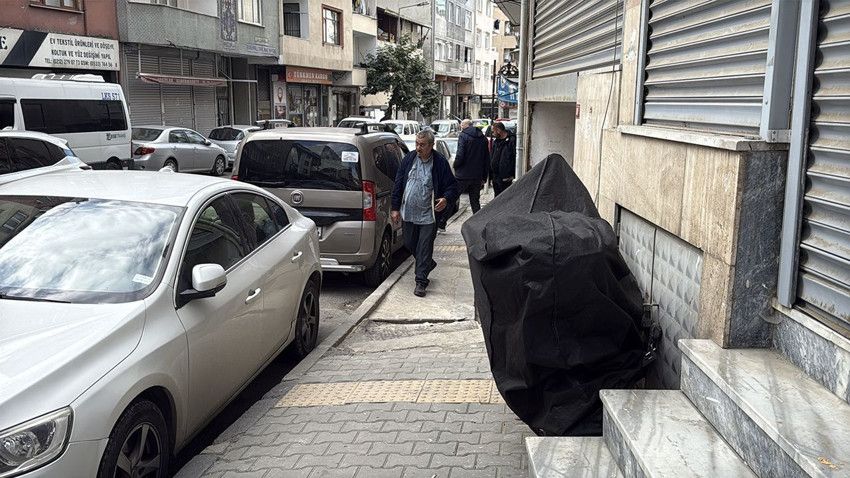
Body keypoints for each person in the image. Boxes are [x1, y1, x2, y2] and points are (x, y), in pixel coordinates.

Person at [392, 130, 459, 297]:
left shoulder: (440, 162)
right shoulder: (409, 159)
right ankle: (427, 263)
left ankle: (421, 281)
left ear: (431, 145)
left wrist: (445, 199)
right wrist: (395, 208)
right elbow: (398, 184)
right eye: (416, 144)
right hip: (408, 213)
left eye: (422, 145)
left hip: (428, 215)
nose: (418, 148)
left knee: (424, 247)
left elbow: (452, 186)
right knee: (409, 243)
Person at [452, 119, 490, 214]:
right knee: (475, 201)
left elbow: (460, 154)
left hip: (463, 175)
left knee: (452, 198)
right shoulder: (483, 138)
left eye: (462, 126)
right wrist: (484, 177)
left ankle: (442, 220)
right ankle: (478, 220)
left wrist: (455, 165)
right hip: (477, 175)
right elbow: (486, 159)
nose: (461, 128)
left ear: (466, 126)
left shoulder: (463, 136)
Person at [490, 122, 516, 196]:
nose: (492, 134)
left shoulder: (511, 140)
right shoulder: (496, 141)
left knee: (505, 197)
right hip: (496, 177)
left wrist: (512, 175)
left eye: (493, 131)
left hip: (506, 177)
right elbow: (492, 156)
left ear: (498, 130)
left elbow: (515, 158)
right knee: (497, 197)